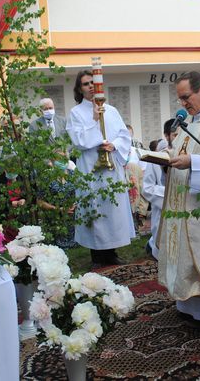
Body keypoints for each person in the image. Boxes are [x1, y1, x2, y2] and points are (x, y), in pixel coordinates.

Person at [157, 71, 200, 323]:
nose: (183, 104)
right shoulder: (189, 121)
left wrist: (193, 162)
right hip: (181, 202)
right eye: (180, 99)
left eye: (187, 97)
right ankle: (187, 306)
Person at [66, 70, 134, 267]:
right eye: (85, 84)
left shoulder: (112, 110)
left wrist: (114, 145)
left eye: (92, 83)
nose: (90, 87)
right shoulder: (76, 112)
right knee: (94, 207)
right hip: (91, 169)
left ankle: (111, 253)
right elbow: (78, 140)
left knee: (112, 209)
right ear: (80, 89)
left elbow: (124, 135)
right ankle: (96, 255)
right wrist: (95, 120)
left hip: (111, 167)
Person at [142, 119, 177, 259]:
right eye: (175, 135)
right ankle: (152, 245)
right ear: (167, 136)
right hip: (164, 209)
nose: (178, 138)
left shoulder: (190, 156)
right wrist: (170, 193)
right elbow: (147, 188)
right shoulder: (157, 158)